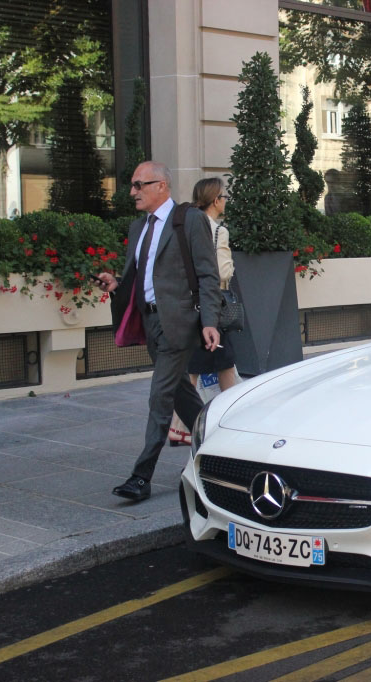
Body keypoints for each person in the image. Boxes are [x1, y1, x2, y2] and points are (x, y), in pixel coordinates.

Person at [96, 161, 221, 502]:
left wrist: (209, 321)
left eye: (140, 185)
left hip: (178, 323)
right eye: (133, 185)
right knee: (181, 392)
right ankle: (220, 443)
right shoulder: (138, 227)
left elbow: (209, 274)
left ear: (162, 186)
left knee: (160, 396)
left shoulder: (189, 220)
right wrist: (116, 284)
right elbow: (141, 276)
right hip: (150, 321)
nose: (133, 191)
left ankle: (141, 477)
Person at [187, 177, 238, 394]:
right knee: (222, 360)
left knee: (199, 362)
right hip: (212, 305)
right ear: (216, 200)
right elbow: (222, 272)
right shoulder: (218, 231)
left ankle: (178, 422)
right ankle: (179, 424)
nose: (226, 201)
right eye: (224, 196)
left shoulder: (185, 226)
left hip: (189, 303)